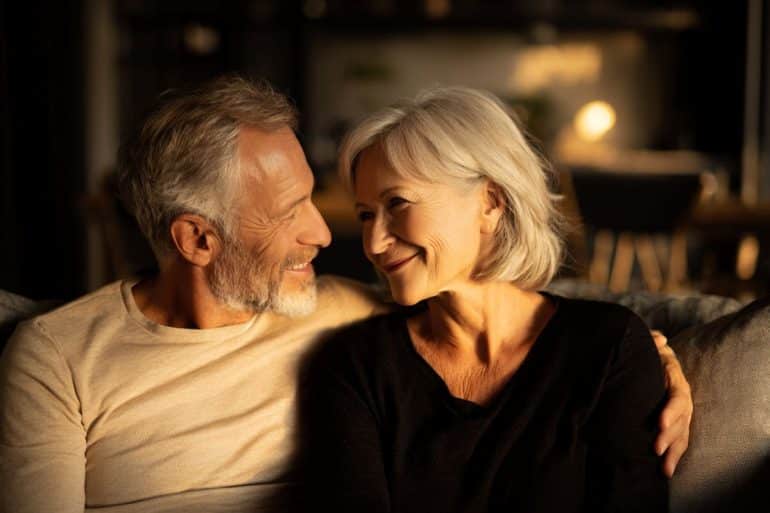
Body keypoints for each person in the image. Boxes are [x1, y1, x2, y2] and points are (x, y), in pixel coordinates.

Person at [0, 77, 689, 513]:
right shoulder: (56, 357)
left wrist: (658, 352)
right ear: (198, 240)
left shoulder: (340, 311)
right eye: (293, 209)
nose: (324, 236)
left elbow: (511, 307)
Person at [298, 86, 673, 512]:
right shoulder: (358, 366)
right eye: (366, 214)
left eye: (397, 202)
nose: (375, 242)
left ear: (490, 202)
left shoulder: (609, 347)